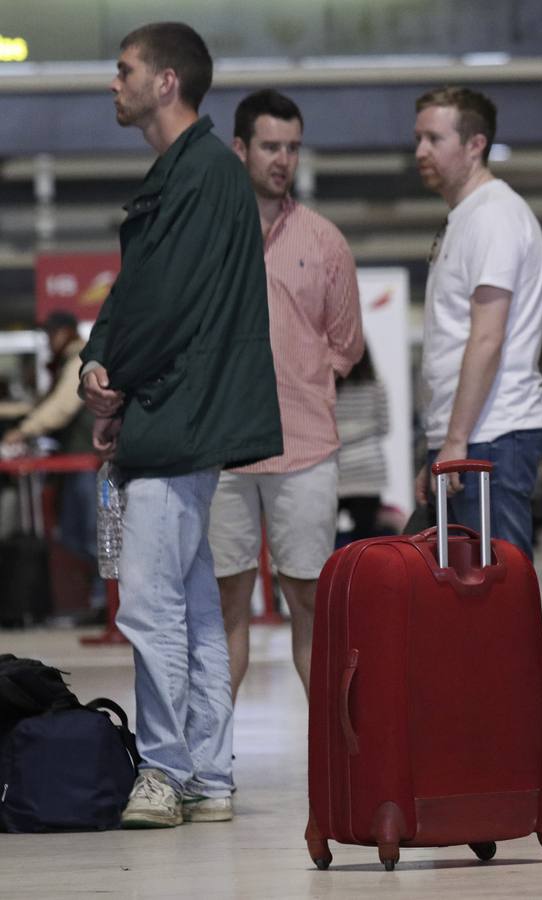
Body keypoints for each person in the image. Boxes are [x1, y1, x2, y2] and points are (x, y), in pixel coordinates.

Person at [79, 22, 281, 828]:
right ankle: (208, 771)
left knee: (151, 604)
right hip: (179, 416)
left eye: (124, 70)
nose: (113, 82)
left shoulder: (200, 175)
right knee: (195, 607)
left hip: (178, 418)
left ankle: (163, 770)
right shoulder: (186, 174)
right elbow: (138, 293)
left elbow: (165, 305)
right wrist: (101, 365)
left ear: (167, 83)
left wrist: (115, 383)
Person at [208, 89, 364, 702]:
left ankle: (332, 767)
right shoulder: (209, 237)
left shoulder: (325, 241)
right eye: (271, 146)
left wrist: (297, 376)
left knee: (309, 600)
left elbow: (345, 344)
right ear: (240, 148)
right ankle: (209, 766)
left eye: (293, 148)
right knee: (225, 602)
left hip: (304, 447)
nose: (283, 159)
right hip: (221, 450)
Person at [412, 87, 542, 556]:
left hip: (491, 437)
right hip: (469, 437)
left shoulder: (493, 215)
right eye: (419, 139)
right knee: (461, 606)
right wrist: (436, 445)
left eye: (434, 138)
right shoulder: (463, 218)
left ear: (475, 144)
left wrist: (455, 441)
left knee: (496, 601)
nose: (421, 151)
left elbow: (487, 336)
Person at [2, 313, 100, 603]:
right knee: (73, 535)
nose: (48, 340)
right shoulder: (67, 362)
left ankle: (107, 603)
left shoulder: (82, 358)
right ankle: (104, 602)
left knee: (92, 537)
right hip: (76, 462)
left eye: (51, 334)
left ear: (65, 332)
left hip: (87, 462)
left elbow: (62, 406)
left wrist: (22, 430)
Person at [335, 349, 390, 544]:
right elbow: (385, 426)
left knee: (324, 540)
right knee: (366, 542)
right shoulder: (376, 386)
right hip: (369, 466)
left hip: (337, 467)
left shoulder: (329, 389)